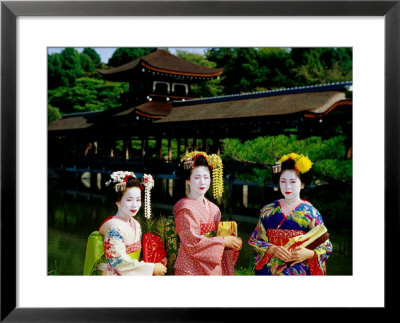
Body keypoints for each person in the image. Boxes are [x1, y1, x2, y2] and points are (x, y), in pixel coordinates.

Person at [248, 153, 333, 275]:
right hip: (271, 270)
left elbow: (326, 246)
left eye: (293, 182)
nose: (287, 186)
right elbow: (254, 240)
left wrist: (308, 253)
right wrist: (272, 249)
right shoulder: (267, 211)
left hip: (300, 269)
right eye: (283, 181)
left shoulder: (312, 213)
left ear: (302, 184)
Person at [173, 151, 242, 275]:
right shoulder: (184, 209)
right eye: (197, 177)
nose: (202, 182)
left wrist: (232, 242)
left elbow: (219, 236)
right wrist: (223, 242)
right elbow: (192, 243)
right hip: (190, 268)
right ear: (188, 180)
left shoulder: (214, 209)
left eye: (206, 177)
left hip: (212, 266)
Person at [95, 171, 167, 276]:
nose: (135, 205)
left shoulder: (136, 224)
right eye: (129, 200)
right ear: (117, 200)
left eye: (138, 200)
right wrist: (151, 268)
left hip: (134, 271)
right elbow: (119, 261)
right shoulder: (113, 228)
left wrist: (157, 258)